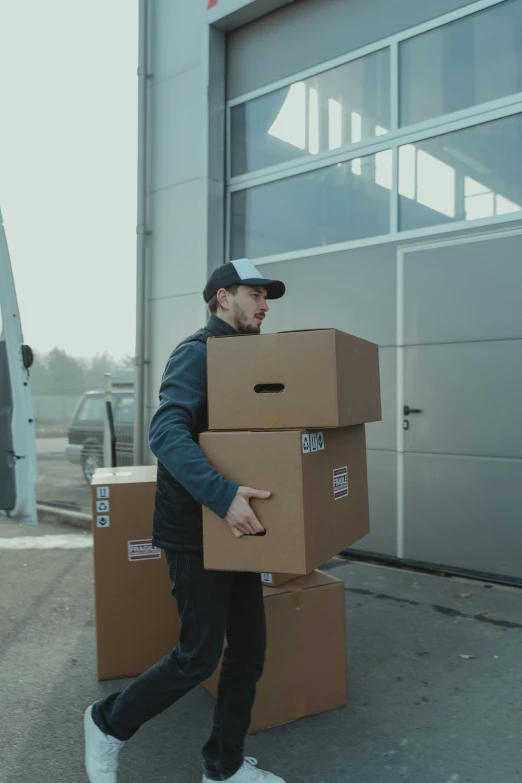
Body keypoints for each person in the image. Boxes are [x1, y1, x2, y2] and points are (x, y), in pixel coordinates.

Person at [84, 259, 287, 783]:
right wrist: (222, 497)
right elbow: (166, 432)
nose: (266, 305)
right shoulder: (197, 354)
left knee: (249, 648)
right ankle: (106, 722)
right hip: (197, 529)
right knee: (199, 656)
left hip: (238, 526)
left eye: (269, 296)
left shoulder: (250, 359)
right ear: (223, 298)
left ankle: (223, 767)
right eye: (256, 294)